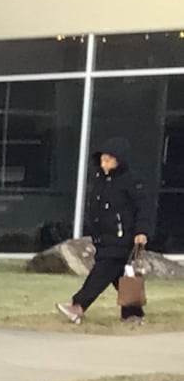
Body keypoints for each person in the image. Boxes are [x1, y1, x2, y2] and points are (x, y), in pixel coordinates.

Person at [58, 137, 148, 324]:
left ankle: (78, 305)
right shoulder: (100, 181)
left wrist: (142, 231)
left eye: (109, 160)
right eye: (102, 160)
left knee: (101, 273)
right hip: (103, 237)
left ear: (119, 161)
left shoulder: (130, 181)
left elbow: (143, 208)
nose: (104, 164)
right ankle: (133, 313)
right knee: (118, 276)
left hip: (122, 237)